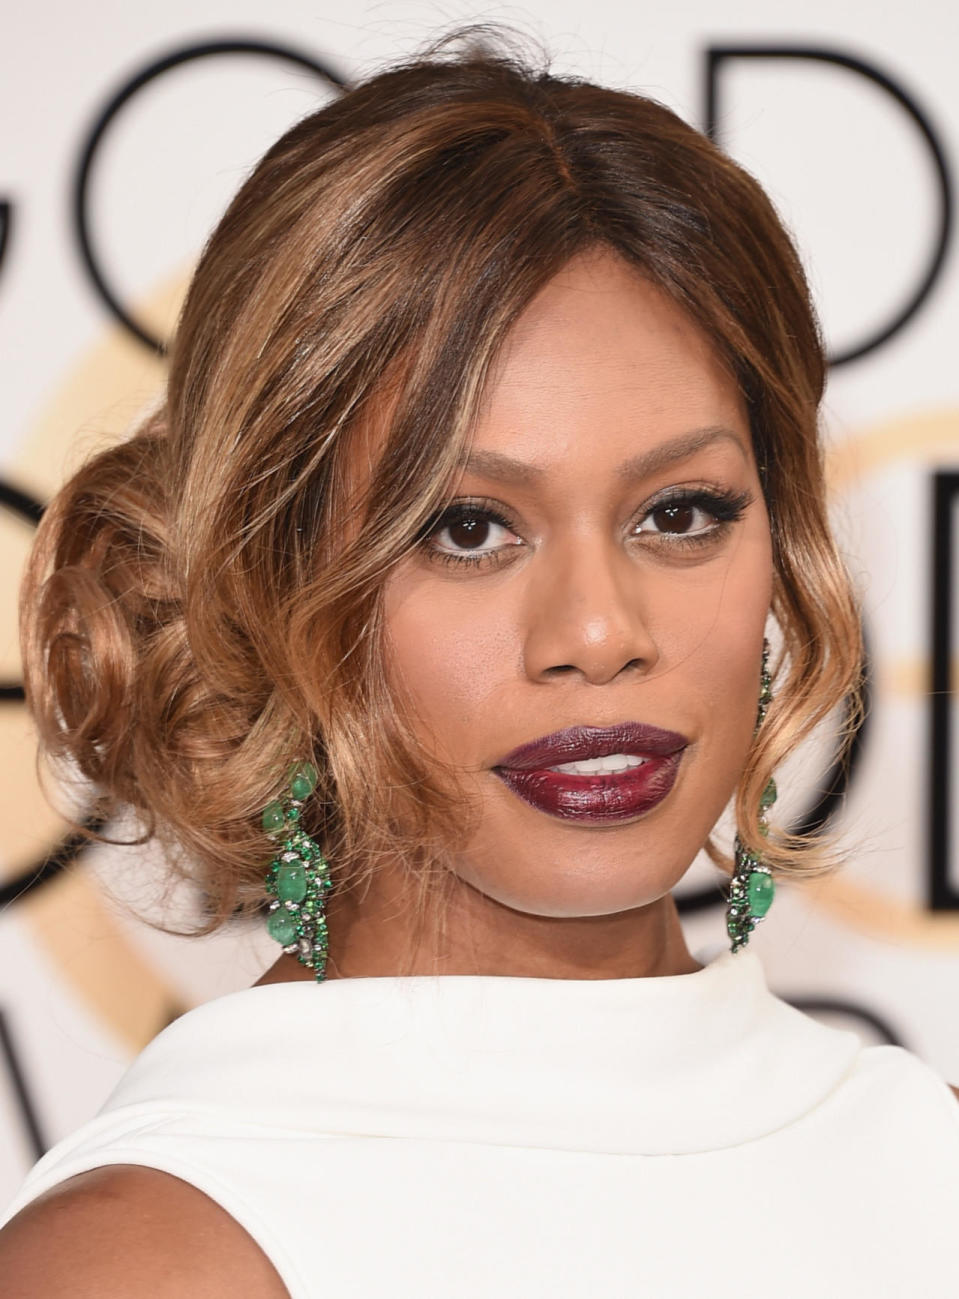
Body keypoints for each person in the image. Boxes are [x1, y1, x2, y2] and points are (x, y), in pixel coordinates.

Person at [1, 25, 957, 1299]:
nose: (599, 632)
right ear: (277, 578)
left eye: (680, 512)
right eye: (467, 528)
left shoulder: (924, 1157)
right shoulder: (154, 1254)